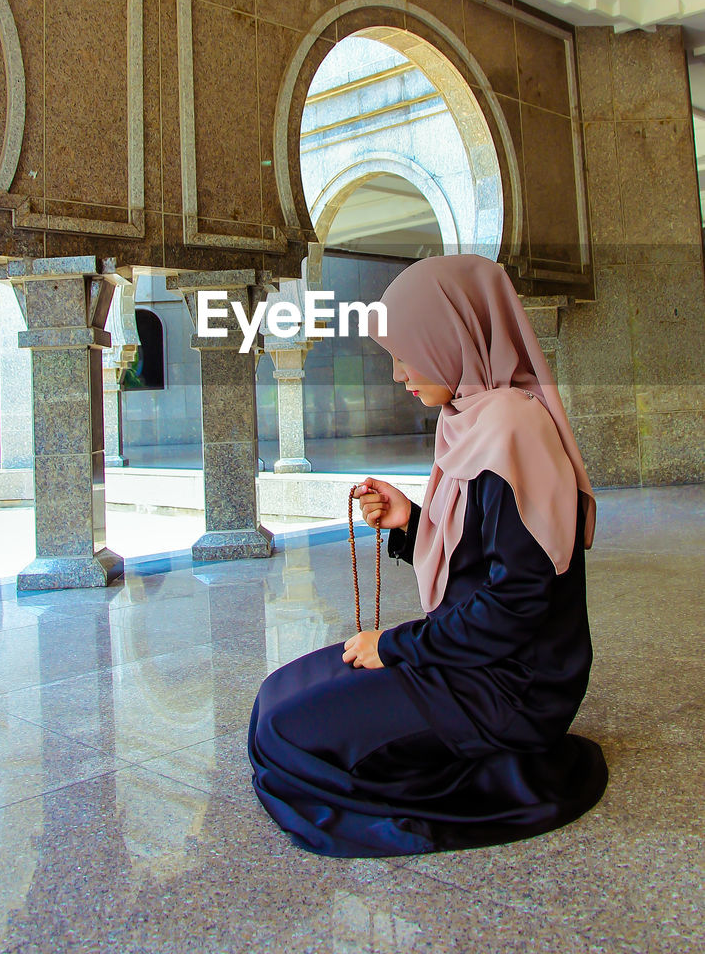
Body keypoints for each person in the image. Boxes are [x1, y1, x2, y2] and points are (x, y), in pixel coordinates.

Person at [248, 254, 607, 858]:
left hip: (509, 689)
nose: (399, 374)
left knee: (287, 732)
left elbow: (518, 600)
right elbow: (483, 555)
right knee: (274, 700)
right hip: (468, 660)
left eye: (407, 351)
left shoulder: (514, 429)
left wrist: (395, 645)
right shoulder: (473, 419)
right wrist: (411, 520)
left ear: (452, 338)